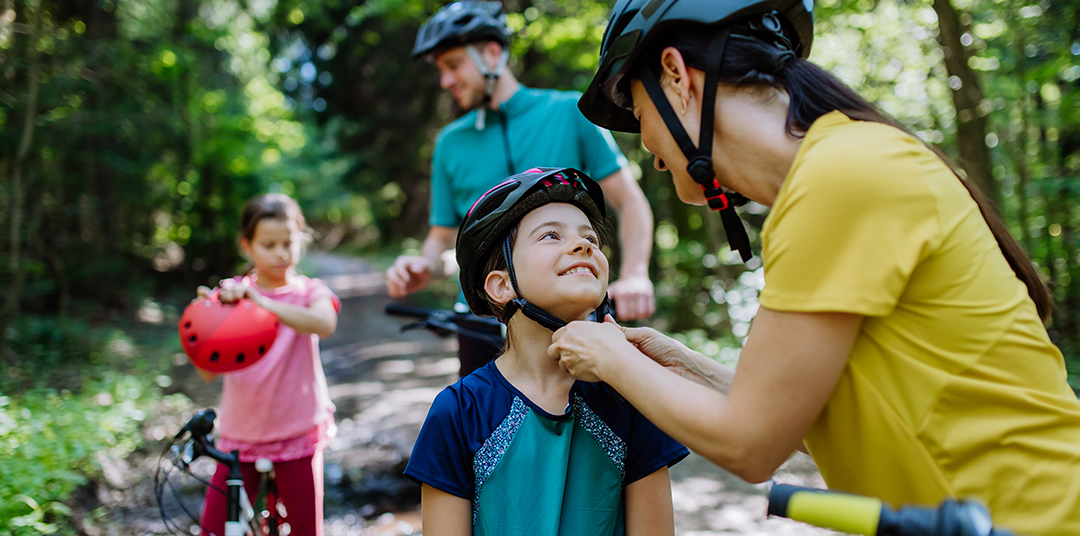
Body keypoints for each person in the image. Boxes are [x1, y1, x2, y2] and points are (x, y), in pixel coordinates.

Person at [549, 1, 1080, 535]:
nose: (648, 149)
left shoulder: (840, 177)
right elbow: (809, 419)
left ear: (676, 76)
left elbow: (751, 443)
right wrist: (683, 365)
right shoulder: (832, 174)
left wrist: (611, 356)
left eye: (640, 114)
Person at [404, 168, 687, 535]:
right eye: (551, 235)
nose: (584, 245)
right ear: (502, 285)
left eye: (591, 239)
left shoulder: (631, 395)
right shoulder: (459, 412)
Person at [386, 1, 657, 378]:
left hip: (575, 318)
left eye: (453, 65)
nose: (446, 81)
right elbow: (443, 240)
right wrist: (424, 265)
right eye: (441, 70)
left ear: (492, 54)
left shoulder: (570, 113)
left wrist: (635, 273)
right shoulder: (450, 144)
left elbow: (631, 204)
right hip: (483, 325)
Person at [191, 193, 341, 536]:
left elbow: (324, 323)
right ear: (247, 245)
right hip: (241, 437)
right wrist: (203, 325)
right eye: (268, 244)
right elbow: (207, 371)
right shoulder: (230, 295)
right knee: (215, 530)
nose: (281, 253)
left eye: (288, 242)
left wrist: (260, 301)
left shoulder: (309, 292)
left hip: (298, 432)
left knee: (306, 530)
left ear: (301, 239)